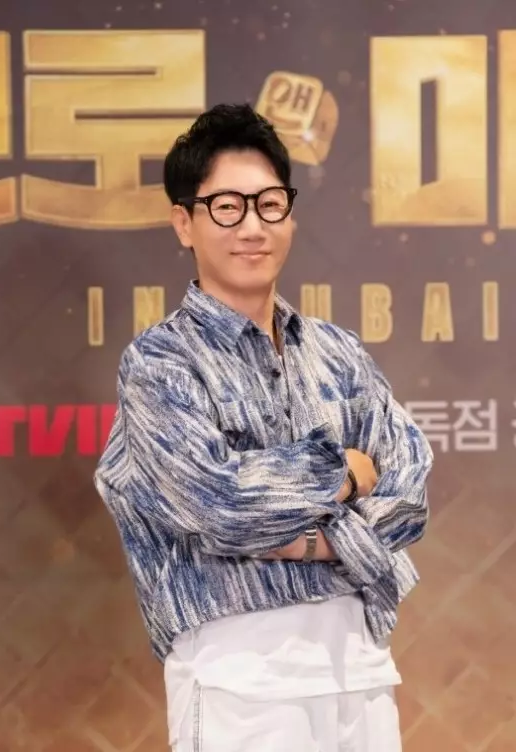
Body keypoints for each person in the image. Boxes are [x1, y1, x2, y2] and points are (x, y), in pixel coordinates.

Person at [95, 103, 433, 752]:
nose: (252, 226)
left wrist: (303, 538)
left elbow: (409, 488)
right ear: (184, 222)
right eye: (227, 207)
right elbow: (220, 506)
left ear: (290, 215)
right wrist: (343, 473)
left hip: (361, 664)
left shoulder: (339, 352)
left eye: (270, 204)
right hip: (237, 673)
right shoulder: (160, 364)